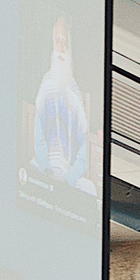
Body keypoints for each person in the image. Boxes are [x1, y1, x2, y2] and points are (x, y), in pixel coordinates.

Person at [30, 15, 92, 191]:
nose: (61, 47)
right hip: (44, 167)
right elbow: (39, 133)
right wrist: (46, 169)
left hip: (69, 173)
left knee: (90, 190)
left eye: (65, 41)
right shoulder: (47, 83)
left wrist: (71, 177)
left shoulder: (74, 90)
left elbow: (84, 142)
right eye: (58, 40)